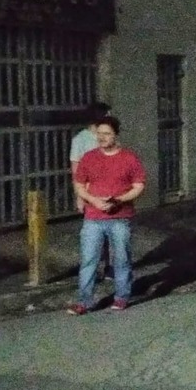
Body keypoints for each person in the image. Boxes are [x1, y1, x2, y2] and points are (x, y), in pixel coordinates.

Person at [67, 116, 146, 315]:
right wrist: (92, 200)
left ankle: (121, 297)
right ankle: (84, 301)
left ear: (116, 135)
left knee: (121, 259)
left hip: (120, 217)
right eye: (99, 134)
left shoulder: (129, 158)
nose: (102, 137)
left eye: (107, 134)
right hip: (93, 218)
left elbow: (138, 186)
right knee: (89, 260)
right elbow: (79, 184)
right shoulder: (89, 158)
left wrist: (119, 200)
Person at [70, 101, 113, 278]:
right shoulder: (81, 140)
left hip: (110, 189)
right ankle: (93, 269)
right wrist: (79, 196)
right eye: (106, 114)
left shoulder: (109, 136)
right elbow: (76, 169)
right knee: (92, 234)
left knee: (110, 231)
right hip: (90, 192)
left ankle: (109, 266)